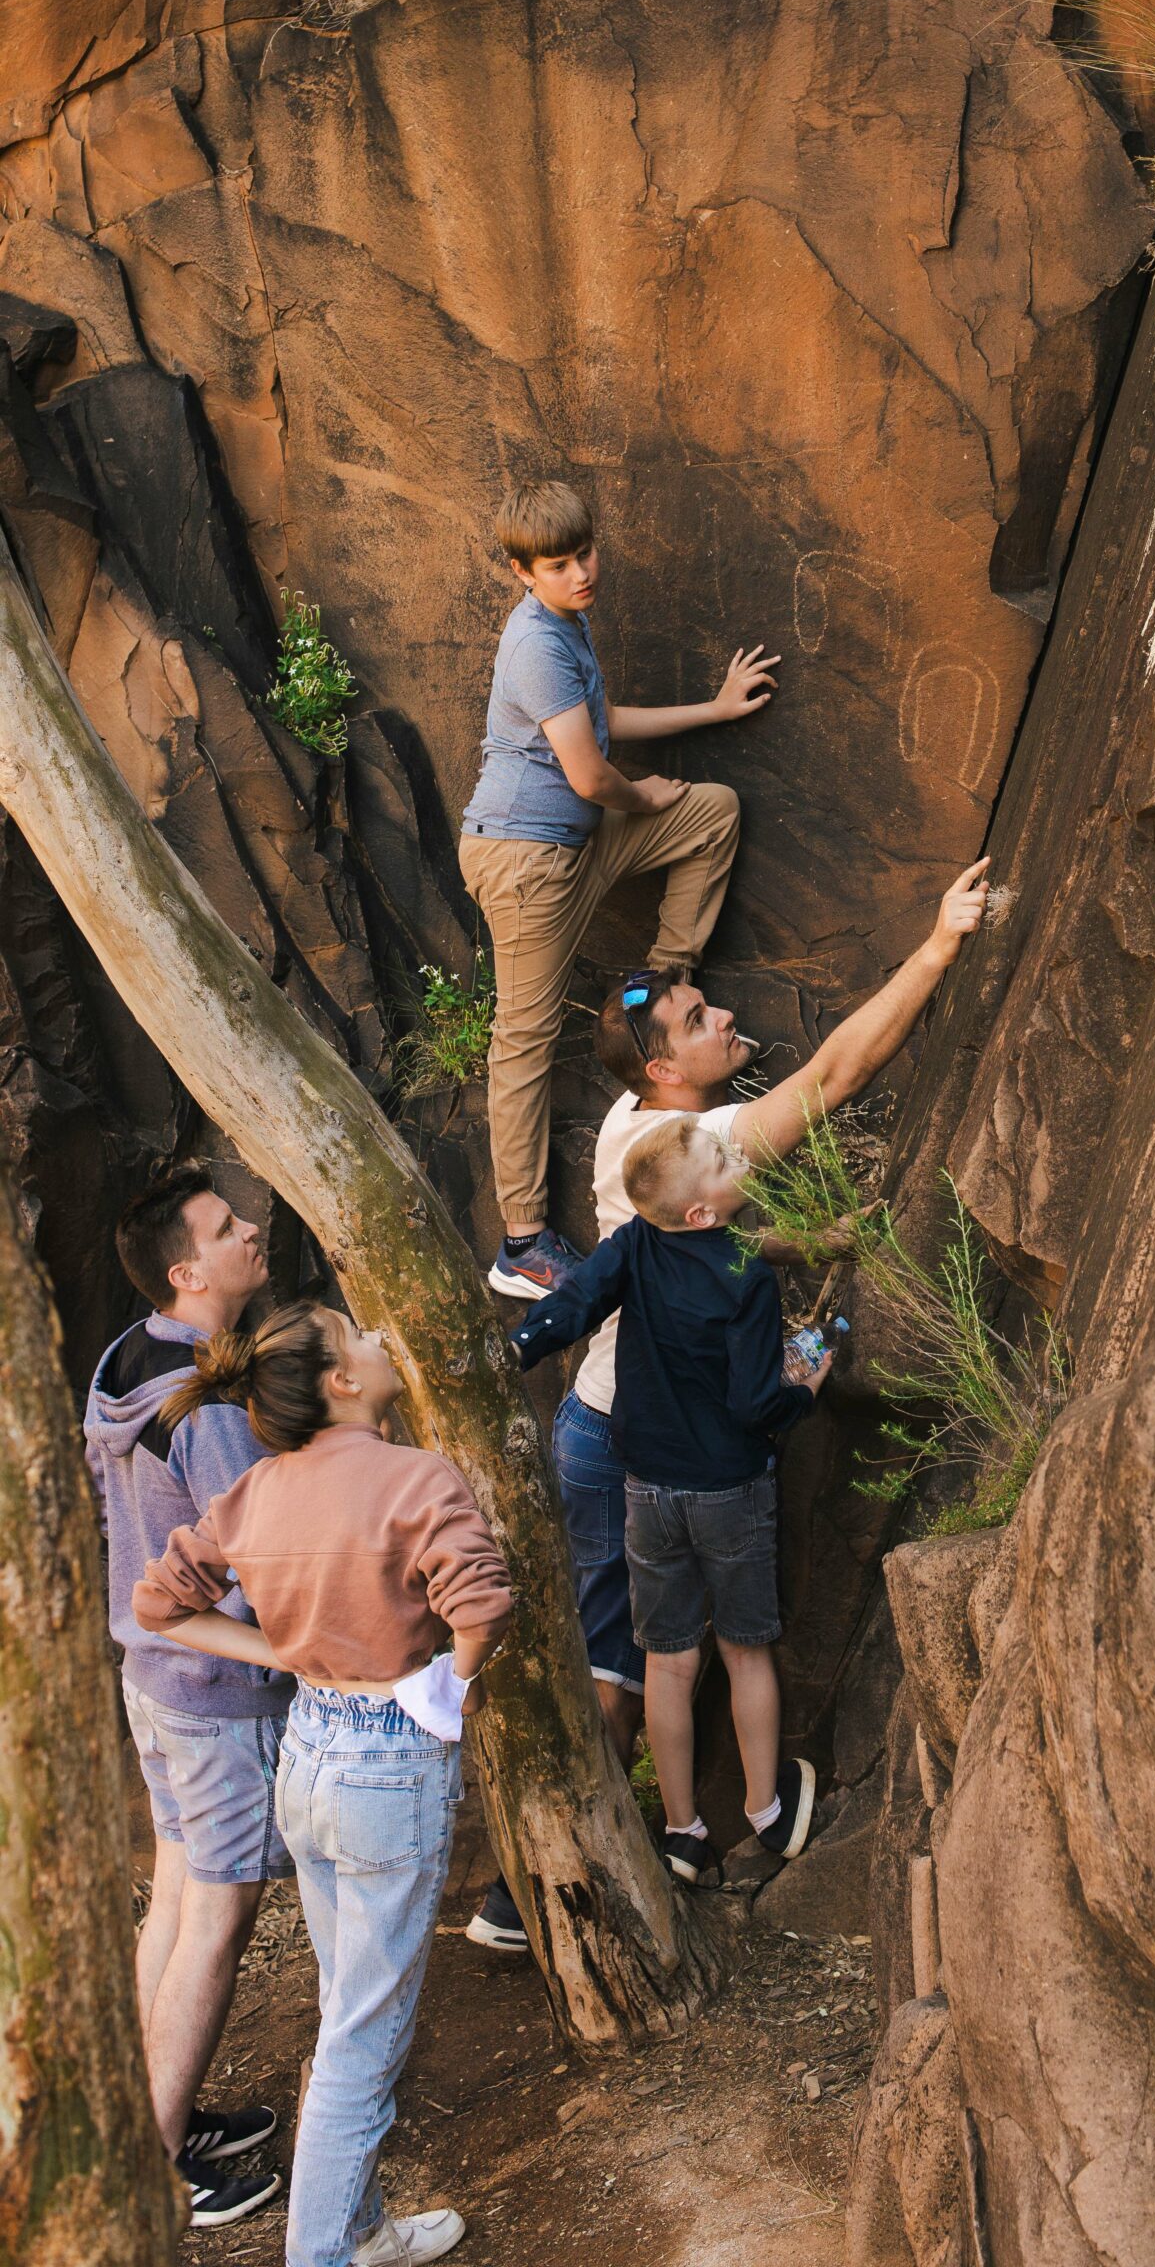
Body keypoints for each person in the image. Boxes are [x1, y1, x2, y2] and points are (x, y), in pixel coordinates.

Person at [465, 854, 990, 1949]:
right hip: (623, 1439)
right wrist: (939, 943)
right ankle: (531, 1892)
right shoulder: (681, 1150)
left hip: (625, 1424)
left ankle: (680, 1832)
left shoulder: (633, 1118)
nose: (726, 1016)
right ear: (662, 1073)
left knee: (653, 1653)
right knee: (618, 1668)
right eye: (703, 1018)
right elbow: (838, 1072)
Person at [134, 1301, 513, 2267]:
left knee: (347, 2002)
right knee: (362, 2040)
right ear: (342, 1382)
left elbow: (158, 1603)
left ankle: (358, 2228)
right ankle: (324, 2255)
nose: (383, 1336)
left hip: (305, 1754)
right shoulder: (415, 1477)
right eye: (361, 1334)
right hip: (389, 1764)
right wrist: (447, 1688)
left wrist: (281, 1651)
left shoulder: (258, 1488)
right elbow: (482, 1603)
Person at [458, 478, 779, 1304]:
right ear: (522, 573)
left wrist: (713, 709)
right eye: (558, 565)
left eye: (585, 554)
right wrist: (643, 798)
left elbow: (602, 721)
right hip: (525, 861)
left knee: (710, 812)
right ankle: (522, 1241)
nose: (579, 572)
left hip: (577, 843)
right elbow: (594, 773)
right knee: (522, 1038)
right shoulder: (534, 642)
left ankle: (658, 1018)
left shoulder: (569, 623)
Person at [510, 1118, 835, 1884]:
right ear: (702, 1214)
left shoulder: (634, 1244)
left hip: (646, 1489)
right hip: (729, 1489)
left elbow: (575, 1302)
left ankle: (682, 1831)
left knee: (667, 1659)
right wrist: (804, 1393)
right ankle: (764, 1811)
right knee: (746, 1648)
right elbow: (756, 1403)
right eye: (722, 1159)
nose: (736, 1157)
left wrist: (520, 1346)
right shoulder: (746, 1275)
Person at [84, 1166, 291, 2230]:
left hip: (150, 1677)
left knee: (176, 1894)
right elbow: (256, 1559)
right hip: (215, 1688)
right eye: (226, 1227)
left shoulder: (126, 1358)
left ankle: (138, 2123)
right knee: (221, 1906)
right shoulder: (205, 1405)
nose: (251, 1230)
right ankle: (158, 2165)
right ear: (186, 1269)